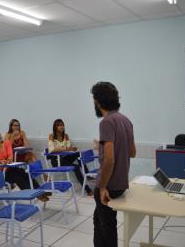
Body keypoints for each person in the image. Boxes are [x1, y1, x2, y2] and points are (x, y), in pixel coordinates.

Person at [91, 82, 136, 247]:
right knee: (99, 220)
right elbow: (132, 152)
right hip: (121, 184)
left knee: (107, 228)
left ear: (98, 101)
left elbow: (109, 159)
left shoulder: (106, 122)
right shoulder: (126, 120)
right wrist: (101, 146)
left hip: (108, 187)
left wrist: (102, 187)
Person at [0, 128, 48, 202]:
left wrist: (9, 159)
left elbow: (10, 155)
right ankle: (33, 194)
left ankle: (39, 191)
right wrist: (1, 161)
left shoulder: (6, 143)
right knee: (17, 177)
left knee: (24, 173)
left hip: (9, 168)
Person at [48, 119, 93, 196]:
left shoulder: (65, 136)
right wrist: (66, 149)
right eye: (59, 125)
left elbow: (69, 147)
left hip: (65, 157)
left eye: (62, 125)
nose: (61, 127)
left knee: (78, 154)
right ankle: (87, 189)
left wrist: (70, 149)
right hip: (56, 161)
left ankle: (87, 175)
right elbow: (52, 150)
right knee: (76, 167)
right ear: (55, 127)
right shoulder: (51, 136)